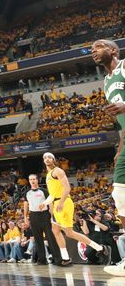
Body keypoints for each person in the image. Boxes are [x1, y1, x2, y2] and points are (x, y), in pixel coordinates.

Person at [92, 40, 125, 275]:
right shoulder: (105, 82)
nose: (93, 51)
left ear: (112, 50)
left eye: (98, 46)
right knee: (120, 194)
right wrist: (120, 148)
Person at [40, 152, 110, 265]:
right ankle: (66, 258)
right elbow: (53, 194)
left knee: (69, 233)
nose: (47, 159)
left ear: (53, 160)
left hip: (63, 202)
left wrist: (61, 202)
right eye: (45, 158)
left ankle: (100, 248)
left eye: (49, 157)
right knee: (55, 230)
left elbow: (67, 188)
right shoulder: (48, 175)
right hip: (56, 202)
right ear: (43, 161)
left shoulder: (58, 171)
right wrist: (45, 203)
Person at [23, 173, 62, 265]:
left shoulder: (43, 190)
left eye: (34, 179)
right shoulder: (26, 192)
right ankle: (42, 260)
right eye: (30, 179)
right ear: (29, 181)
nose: (32, 181)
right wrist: (25, 217)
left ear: (37, 180)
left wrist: (51, 215)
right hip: (33, 216)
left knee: (50, 237)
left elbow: (51, 203)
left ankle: (57, 258)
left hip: (44, 215)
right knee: (38, 238)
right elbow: (25, 205)